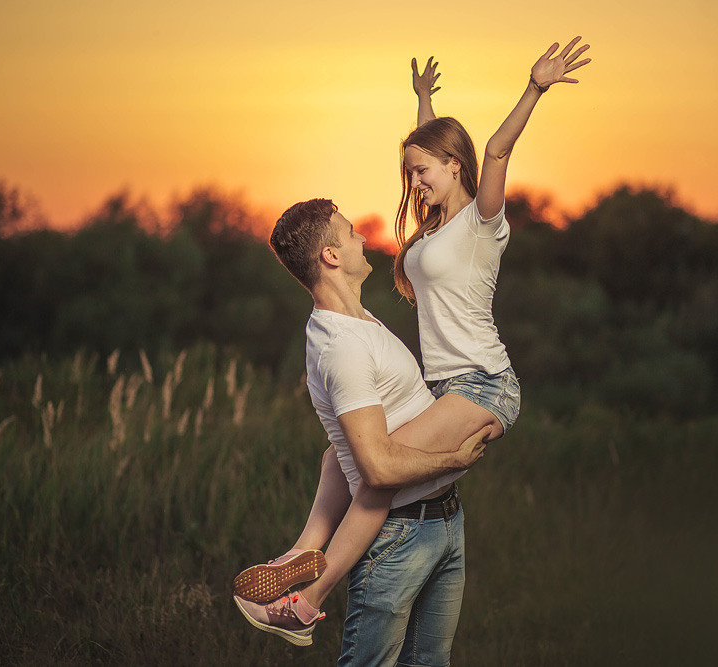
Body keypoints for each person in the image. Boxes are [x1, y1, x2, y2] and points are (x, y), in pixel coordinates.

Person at [234, 38, 591, 662]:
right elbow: (430, 148)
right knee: (337, 459)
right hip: (447, 387)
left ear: (456, 166)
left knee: (376, 480)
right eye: (411, 172)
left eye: (424, 171)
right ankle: (297, 555)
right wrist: (424, 103)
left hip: (483, 383)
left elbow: (495, 149)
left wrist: (534, 88)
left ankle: (306, 602)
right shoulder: (430, 229)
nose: (414, 181)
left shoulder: (481, 223)